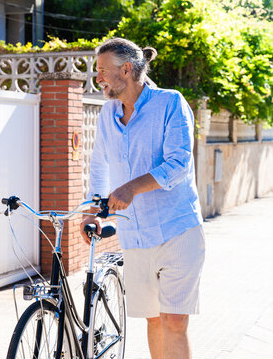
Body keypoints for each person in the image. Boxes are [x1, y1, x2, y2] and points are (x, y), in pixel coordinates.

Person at [81, 38, 205, 359]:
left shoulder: (170, 103)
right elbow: (99, 165)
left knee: (173, 321)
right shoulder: (108, 115)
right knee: (153, 320)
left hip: (177, 231)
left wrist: (131, 188)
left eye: (103, 71)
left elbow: (178, 164)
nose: (99, 79)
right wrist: (93, 211)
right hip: (134, 237)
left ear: (126, 69)